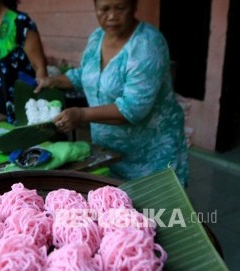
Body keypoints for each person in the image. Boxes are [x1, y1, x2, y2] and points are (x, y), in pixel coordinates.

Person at [35, 0, 189, 185]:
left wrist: (81, 114)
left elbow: (133, 109)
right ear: (95, 8)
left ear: (134, 6)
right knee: (116, 206)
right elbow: (87, 74)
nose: (112, 16)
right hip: (109, 151)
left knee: (154, 210)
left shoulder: (147, 45)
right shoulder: (97, 37)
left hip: (151, 153)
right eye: (104, 9)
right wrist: (56, 80)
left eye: (120, 8)